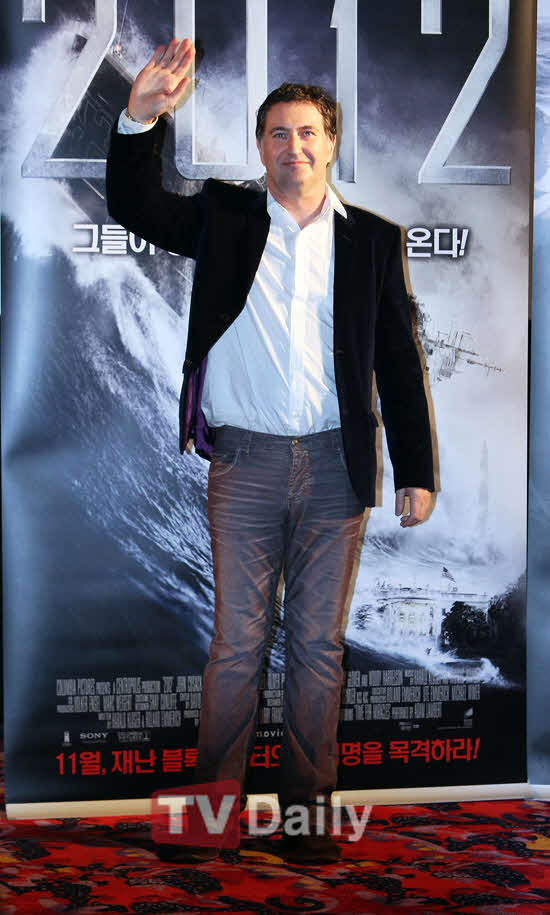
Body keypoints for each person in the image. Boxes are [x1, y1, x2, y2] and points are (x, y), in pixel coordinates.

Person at [107, 37, 435, 864]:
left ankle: (307, 818)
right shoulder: (225, 217)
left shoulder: (373, 240)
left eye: (308, 132)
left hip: (335, 468)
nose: (295, 146)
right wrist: (139, 119)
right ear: (261, 147)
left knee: (319, 648)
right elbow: (137, 206)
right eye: (279, 133)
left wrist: (418, 470)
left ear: (331, 143)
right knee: (236, 647)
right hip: (245, 463)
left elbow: (398, 361)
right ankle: (210, 819)